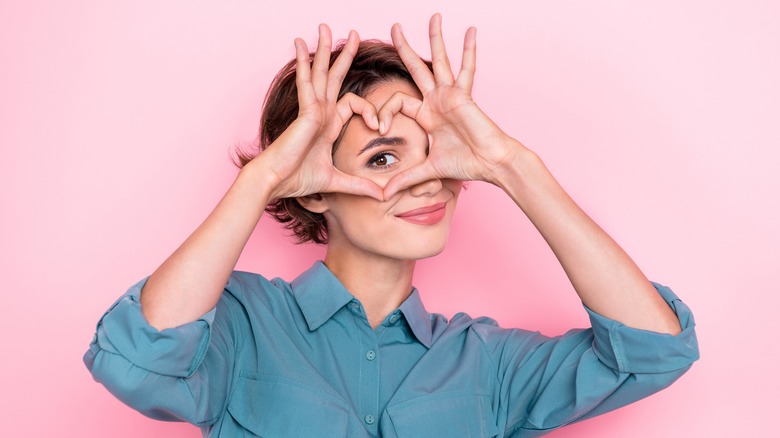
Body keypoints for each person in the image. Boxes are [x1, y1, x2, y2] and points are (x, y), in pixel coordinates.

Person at [84, 14, 699, 437]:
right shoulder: (241, 323)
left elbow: (655, 350)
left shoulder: (488, 363)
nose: (426, 181)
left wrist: (511, 165)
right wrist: (263, 178)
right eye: (383, 157)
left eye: (435, 154)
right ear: (314, 187)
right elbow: (135, 363)